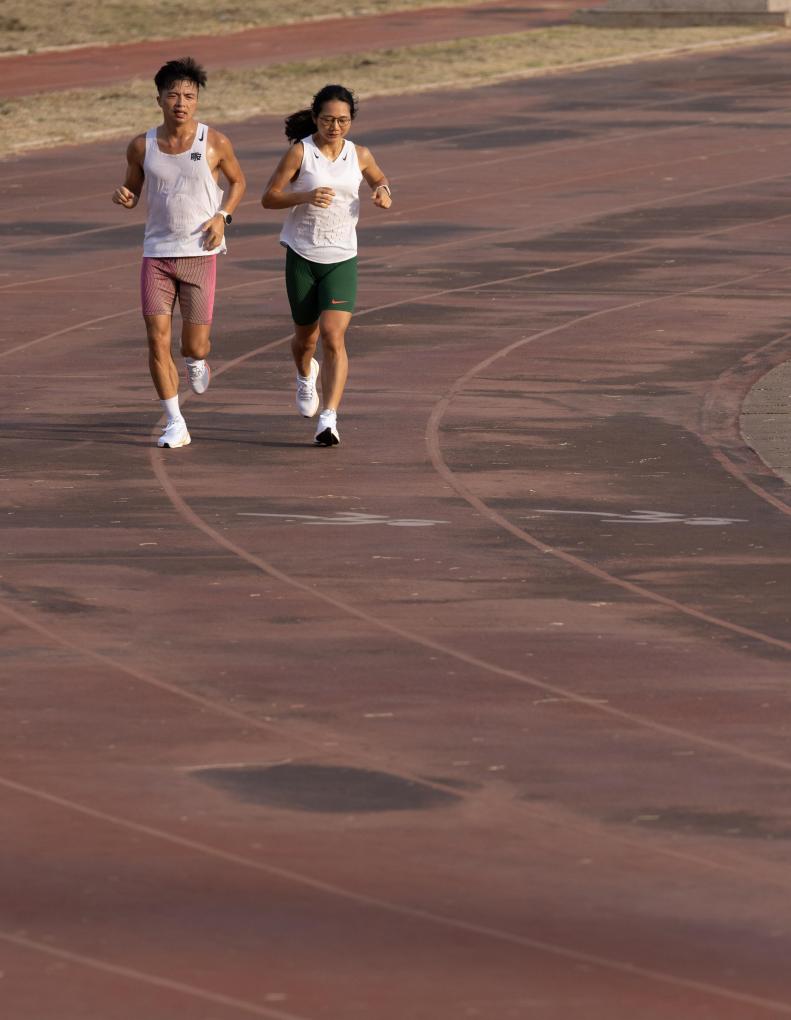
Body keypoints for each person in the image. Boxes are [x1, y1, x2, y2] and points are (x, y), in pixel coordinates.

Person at [112, 57, 246, 448]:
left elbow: (238, 183)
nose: (181, 103)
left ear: (197, 100)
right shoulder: (142, 146)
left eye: (189, 95)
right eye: (173, 95)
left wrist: (223, 216)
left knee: (193, 345)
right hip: (156, 255)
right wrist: (125, 196)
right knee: (156, 340)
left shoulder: (215, 142)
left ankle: (196, 360)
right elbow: (133, 190)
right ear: (159, 99)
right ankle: (175, 422)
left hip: (200, 253)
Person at [261, 84, 392, 446]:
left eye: (343, 120)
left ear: (351, 120)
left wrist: (382, 191)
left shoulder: (359, 154)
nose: (335, 127)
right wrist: (305, 195)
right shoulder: (301, 153)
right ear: (316, 118)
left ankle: (329, 418)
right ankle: (306, 374)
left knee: (333, 335)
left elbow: (379, 178)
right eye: (328, 120)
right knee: (306, 339)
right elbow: (269, 197)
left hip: (341, 257)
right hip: (303, 255)